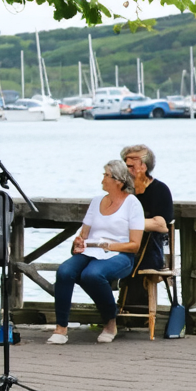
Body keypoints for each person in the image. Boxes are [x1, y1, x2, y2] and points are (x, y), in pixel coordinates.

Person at [48, 160, 145, 345]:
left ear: (118, 180)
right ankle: (61, 328)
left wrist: (108, 246)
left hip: (121, 254)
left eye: (106, 175)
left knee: (92, 274)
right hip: (90, 251)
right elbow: (84, 233)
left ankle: (110, 320)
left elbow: (135, 245)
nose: (103, 178)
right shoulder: (96, 201)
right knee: (65, 271)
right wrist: (78, 241)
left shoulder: (132, 204)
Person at [123, 144, 173, 272]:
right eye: (125, 166)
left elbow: (160, 225)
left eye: (131, 166)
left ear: (144, 167)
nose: (126, 170)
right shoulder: (122, 189)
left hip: (151, 249)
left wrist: (123, 222)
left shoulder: (160, 190)